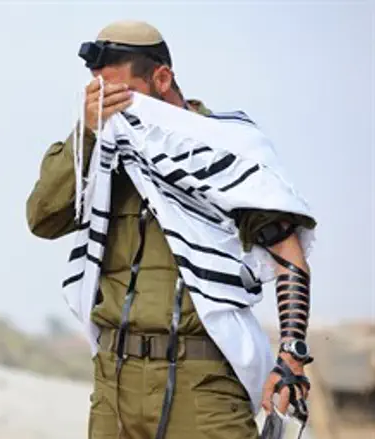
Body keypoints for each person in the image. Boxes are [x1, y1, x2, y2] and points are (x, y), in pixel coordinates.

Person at [25, 20, 317, 439]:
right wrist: (88, 133)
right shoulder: (103, 150)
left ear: (161, 78)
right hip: (115, 382)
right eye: (100, 94)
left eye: (121, 93)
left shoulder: (225, 147)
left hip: (203, 385)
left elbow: (287, 253)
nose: (112, 106)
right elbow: (43, 218)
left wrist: (291, 356)